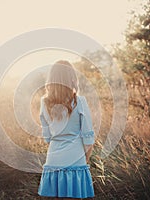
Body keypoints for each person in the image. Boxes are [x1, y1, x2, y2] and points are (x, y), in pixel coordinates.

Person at [38, 60, 95, 199]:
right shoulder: (80, 102)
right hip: (76, 159)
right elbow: (88, 139)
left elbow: (46, 137)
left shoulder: (44, 102)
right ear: (72, 78)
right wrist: (84, 160)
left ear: (51, 79)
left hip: (53, 160)